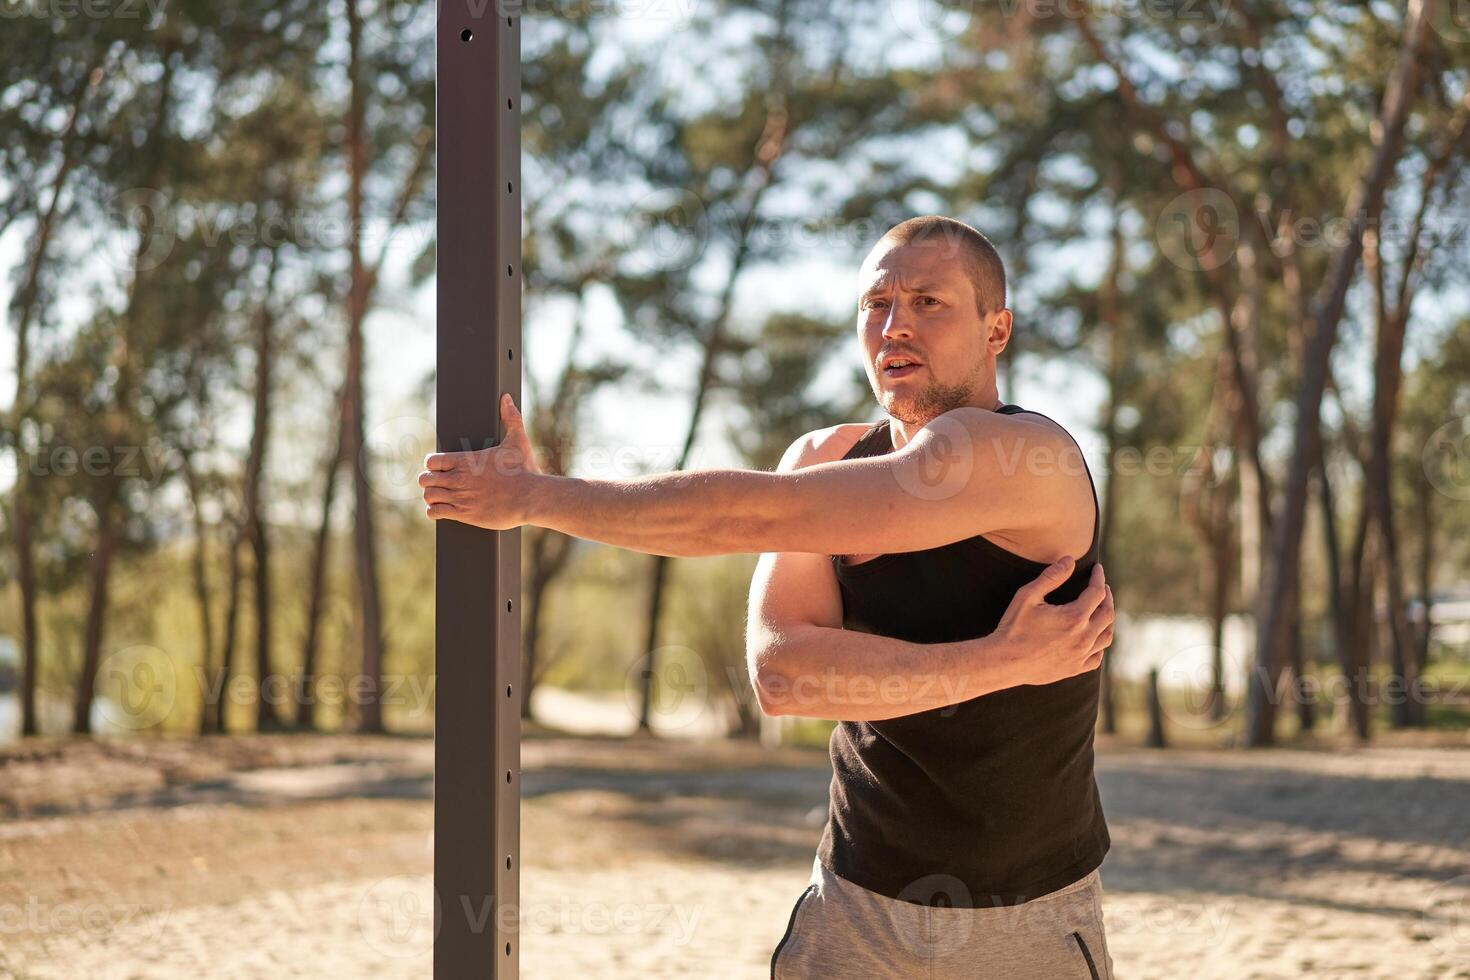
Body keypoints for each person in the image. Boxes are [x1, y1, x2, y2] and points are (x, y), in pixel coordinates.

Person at [418, 214, 1115, 979]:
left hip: (1026, 922)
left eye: (928, 303)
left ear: (997, 329)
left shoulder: (1024, 455)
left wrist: (536, 496)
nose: (894, 327)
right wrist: (997, 661)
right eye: (876, 304)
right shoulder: (821, 457)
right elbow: (785, 678)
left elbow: (743, 514)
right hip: (854, 907)